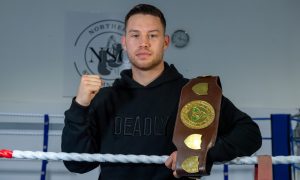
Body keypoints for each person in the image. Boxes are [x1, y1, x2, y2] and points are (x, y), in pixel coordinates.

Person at [61, 3, 262, 180]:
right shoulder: (105, 99)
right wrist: (79, 105)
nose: (144, 43)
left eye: (153, 35)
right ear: (124, 42)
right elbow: (77, 164)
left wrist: (201, 155)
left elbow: (250, 133)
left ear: (165, 42)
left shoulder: (193, 93)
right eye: (135, 35)